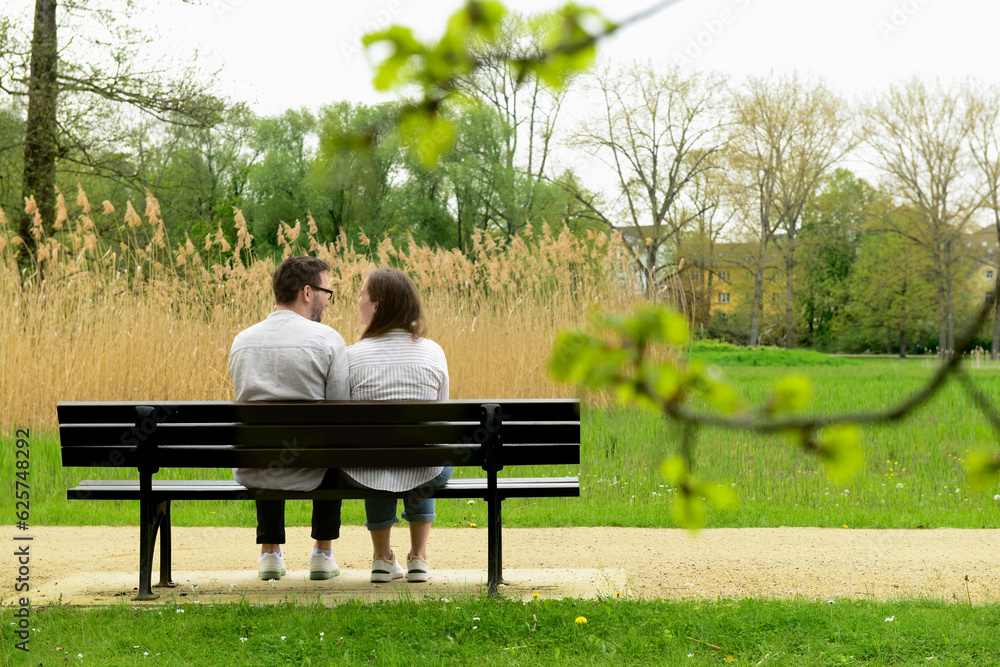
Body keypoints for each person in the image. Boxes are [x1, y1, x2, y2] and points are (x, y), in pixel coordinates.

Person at [229, 255, 349, 581]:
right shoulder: (327, 340)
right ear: (307, 292)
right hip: (315, 467)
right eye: (327, 292)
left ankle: (269, 552)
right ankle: (323, 553)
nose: (328, 300)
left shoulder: (242, 342)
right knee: (335, 442)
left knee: (265, 435)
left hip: (257, 465)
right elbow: (341, 410)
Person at [339, 268, 452, 583]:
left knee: (374, 456)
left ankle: (381, 558)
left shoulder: (352, 357)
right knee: (426, 452)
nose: (357, 301)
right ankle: (419, 557)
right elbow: (440, 421)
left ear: (377, 306)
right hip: (425, 465)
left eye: (362, 295)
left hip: (368, 468)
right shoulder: (433, 352)